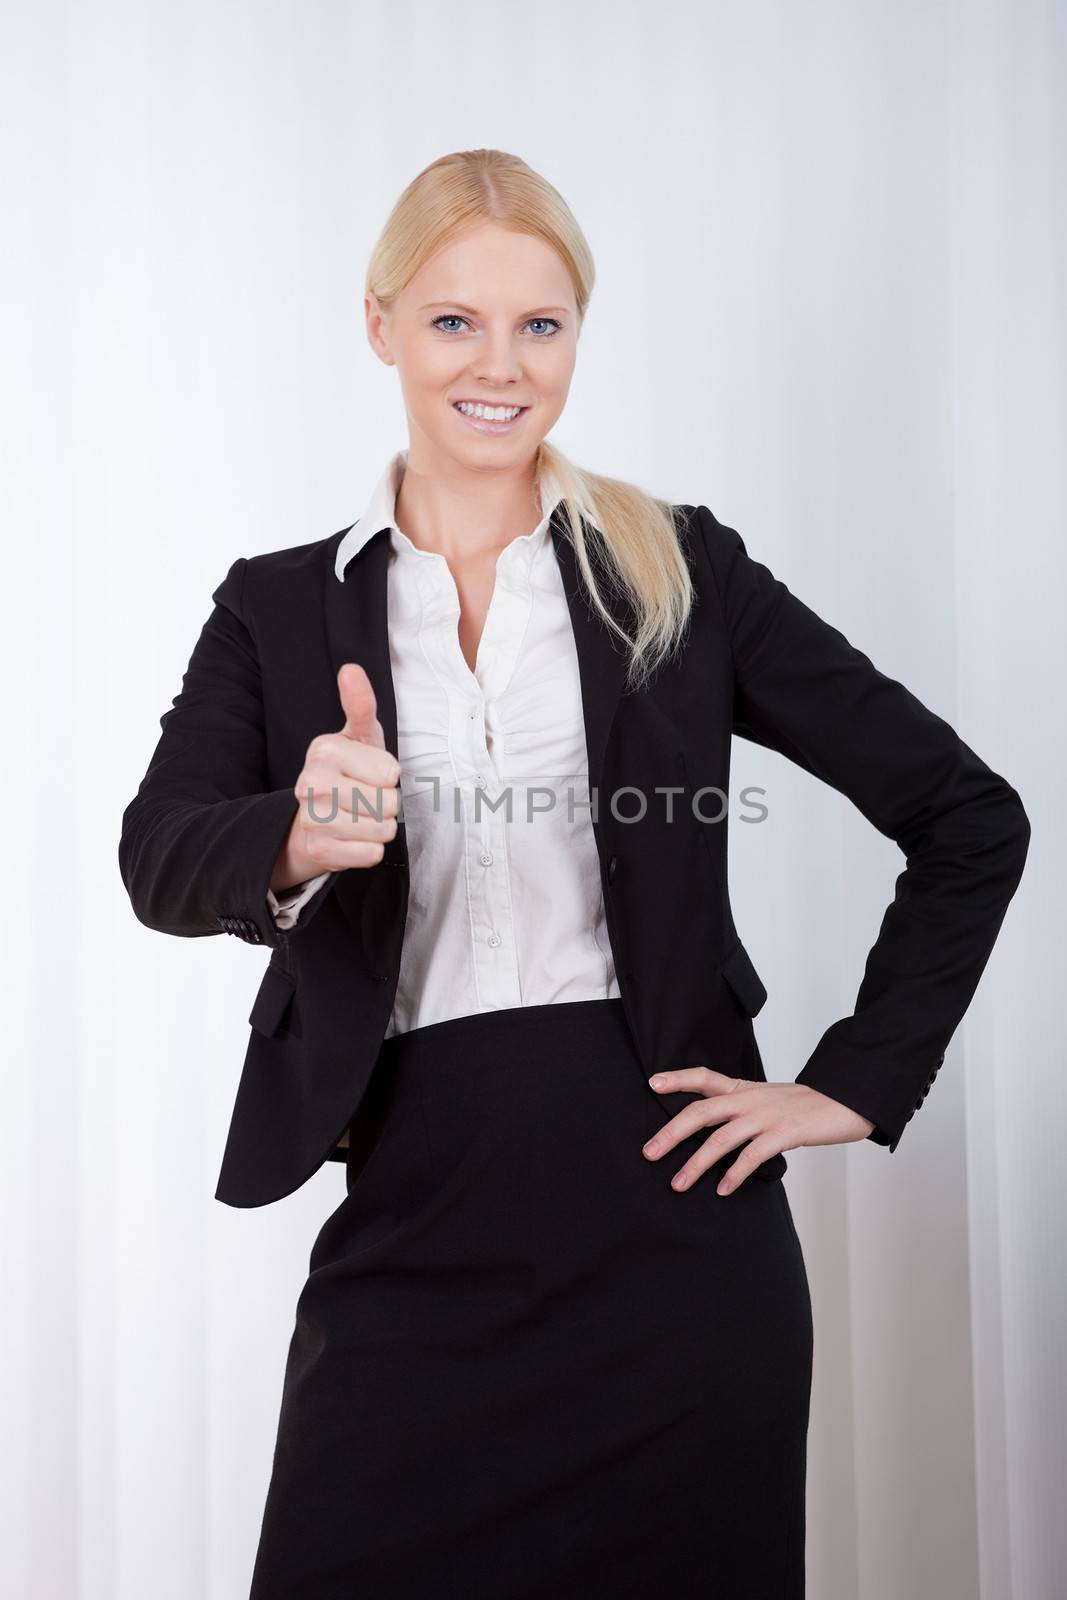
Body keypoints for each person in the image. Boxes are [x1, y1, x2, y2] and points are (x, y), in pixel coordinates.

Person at [118, 148, 1030, 1599]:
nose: (501, 365)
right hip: (413, 1212)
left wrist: (861, 1078)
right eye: (453, 321)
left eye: (541, 324)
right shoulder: (279, 606)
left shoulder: (678, 569)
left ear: (578, 336)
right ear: (380, 327)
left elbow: (970, 816)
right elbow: (155, 857)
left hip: (669, 1223)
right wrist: (297, 832)